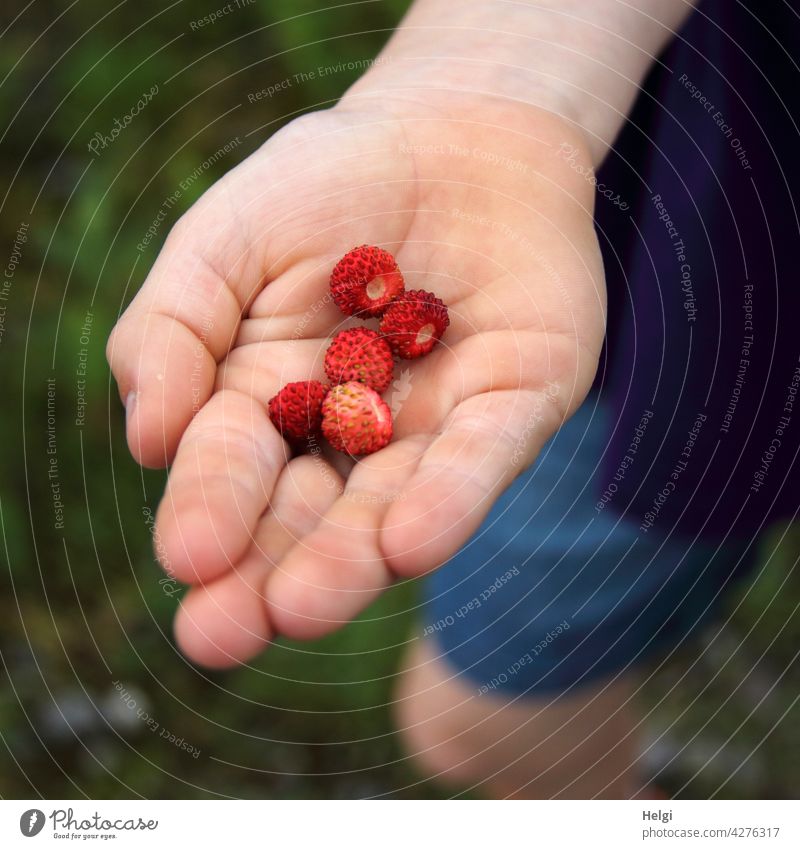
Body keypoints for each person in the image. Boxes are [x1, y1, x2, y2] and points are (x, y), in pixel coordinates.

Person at [107, 0, 800, 798]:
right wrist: (474, 72)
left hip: (735, 323)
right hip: (696, 215)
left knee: (483, 715)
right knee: (475, 718)